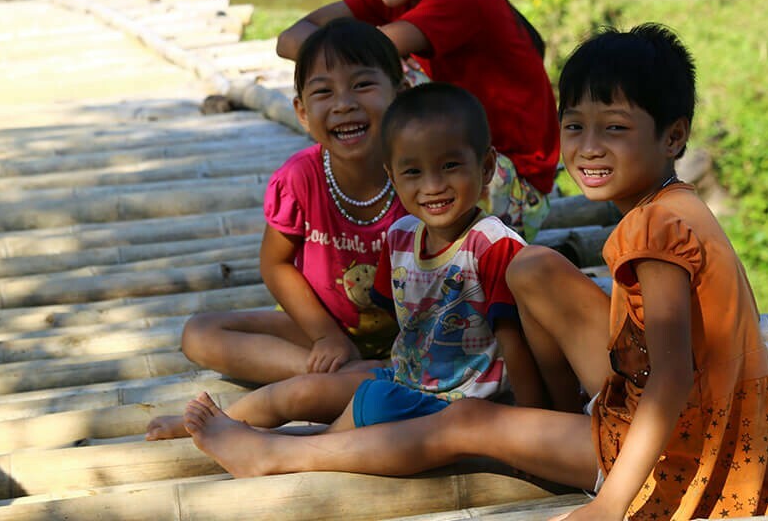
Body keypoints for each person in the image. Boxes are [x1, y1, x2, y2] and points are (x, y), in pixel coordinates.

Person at [182, 25, 768, 521]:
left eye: (615, 129)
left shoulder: (654, 228)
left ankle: (277, 456)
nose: (588, 148)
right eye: (575, 127)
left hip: (686, 459)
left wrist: (610, 504)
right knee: (533, 267)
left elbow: (669, 379)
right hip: (719, 432)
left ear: (673, 137)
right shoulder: (675, 207)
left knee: (466, 423)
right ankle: (549, 422)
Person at [147, 84, 544, 441]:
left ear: (487, 166)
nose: (433, 185)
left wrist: (529, 430)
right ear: (393, 175)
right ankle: (217, 421)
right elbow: (406, 328)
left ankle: (286, 446)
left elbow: (516, 348)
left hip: (461, 404)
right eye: (413, 172)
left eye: (450, 167)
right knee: (303, 390)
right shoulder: (403, 235)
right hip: (404, 378)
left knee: (371, 406)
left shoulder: (492, 247)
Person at [145, 18, 409, 440]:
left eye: (362, 85)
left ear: (402, 94)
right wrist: (325, 337)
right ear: (302, 112)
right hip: (323, 325)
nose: (343, 104)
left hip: (411, 339)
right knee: (200, 333)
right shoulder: (300, 178)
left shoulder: (419, 173)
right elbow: (275, 264)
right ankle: (340, 374)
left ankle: (346, 381)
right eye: (323, 92)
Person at [275, 0, 559, 240]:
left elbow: (369, 53)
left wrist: (335, 61)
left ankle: (371, 230)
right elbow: (288, 39)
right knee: (360, 73)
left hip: (506, 180)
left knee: (377, 76)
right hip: (452, 158)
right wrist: (336, 56)